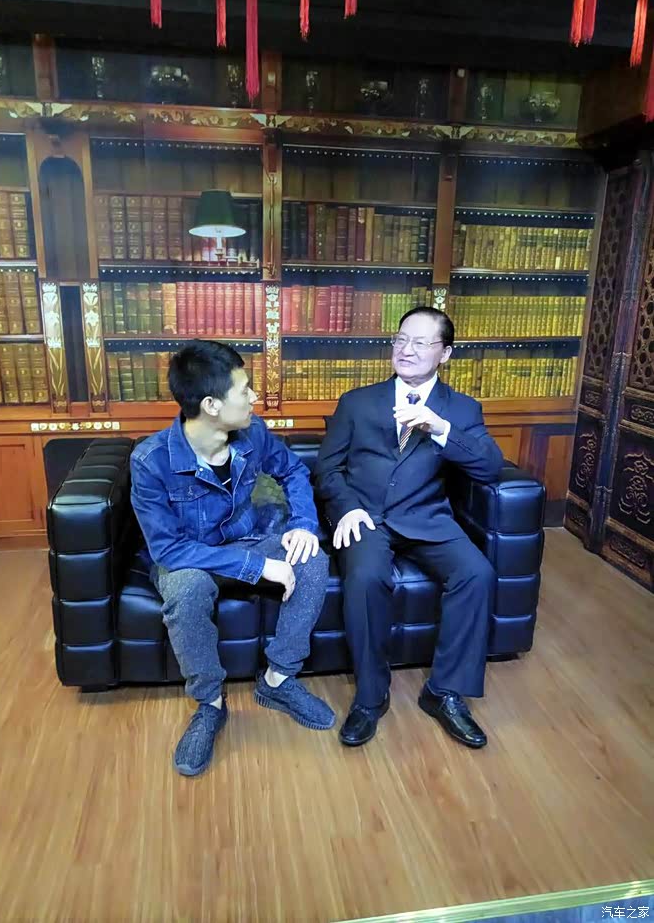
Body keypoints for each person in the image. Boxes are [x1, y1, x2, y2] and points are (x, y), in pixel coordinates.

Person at [131, 339, 334, 777]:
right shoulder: (151, 461)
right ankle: (210, 703)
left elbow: (293, 470)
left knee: (311, 558)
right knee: (186, 588)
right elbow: (168, 549)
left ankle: (278, 679)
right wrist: (259, 567)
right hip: (189, 557)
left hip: (248, 538)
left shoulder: (252, 433)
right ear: (211, 405)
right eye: (244, 389)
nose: (254, 397)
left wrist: (303, 524)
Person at [314, 306, 503, 749]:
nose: (406, 349)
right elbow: (327, 469)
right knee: (365, 578)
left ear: (445, 353)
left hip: (426, 517)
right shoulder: (357, 402)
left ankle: (444, 692)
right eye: (401, 339)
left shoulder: (461, 409)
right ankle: (370, 697)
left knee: (477, 573)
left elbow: (490, 467)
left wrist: (441, 429)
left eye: (420, 342)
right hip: (366, 518)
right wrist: (346, 509)